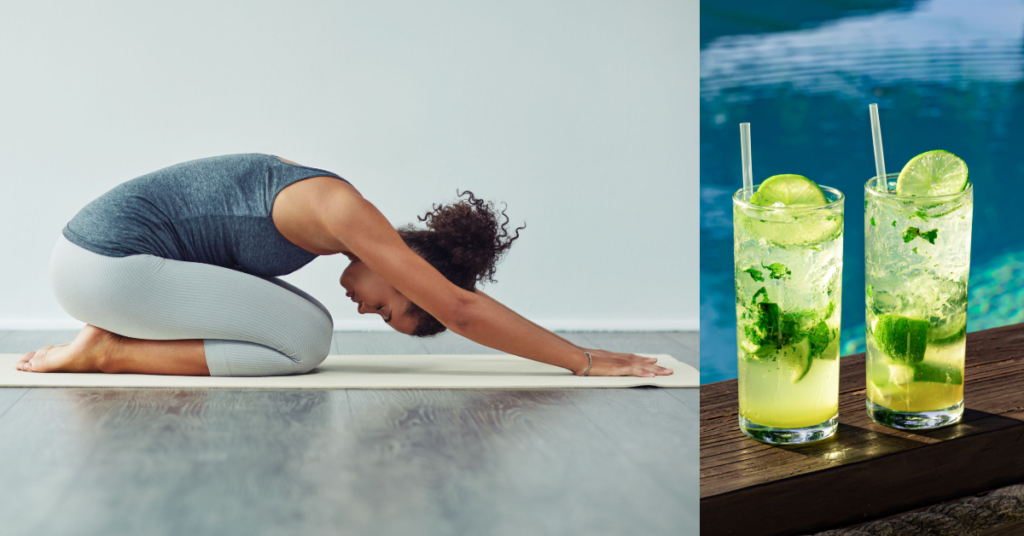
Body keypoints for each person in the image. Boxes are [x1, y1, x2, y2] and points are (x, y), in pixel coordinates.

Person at [16, 153, 673, 378]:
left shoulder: (324, 218)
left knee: (305, 326)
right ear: (410, 264)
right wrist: (582, 359)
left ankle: (110, 340)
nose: (370, 308)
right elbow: (461, 308)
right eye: (391, 307)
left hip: (102, 262)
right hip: (106, 266)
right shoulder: (341, 209)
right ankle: (107, 352)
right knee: (307, 339)